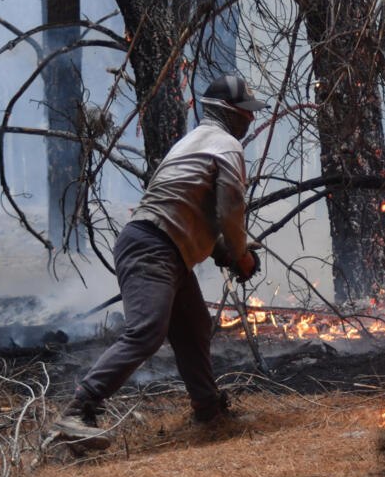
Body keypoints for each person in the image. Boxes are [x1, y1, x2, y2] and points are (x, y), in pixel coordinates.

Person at [54, 75, 266, 450]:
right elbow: (231, 211)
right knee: (146, 331)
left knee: (194, 326)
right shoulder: (227, 146)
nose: (250, 120)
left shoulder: (191, 144)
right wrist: (241, 255)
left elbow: (189, 212)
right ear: (228, 113)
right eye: (245, 113)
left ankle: (208, 411)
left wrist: (225, 252)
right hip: (155, 248)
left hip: (160, 246)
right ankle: (77, 410)